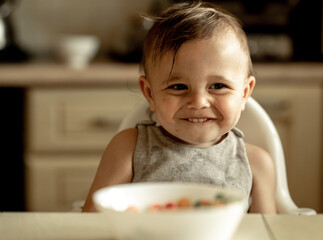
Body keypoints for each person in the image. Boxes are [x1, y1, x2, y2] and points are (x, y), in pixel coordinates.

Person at [82, 1, 276, 213]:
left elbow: (265, 230)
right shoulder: (128, 149)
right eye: (178, 86)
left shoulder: (256, 164)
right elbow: (94, 222)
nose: (199, 101)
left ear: (245, 93)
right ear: (149, 94)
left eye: (218, 86)